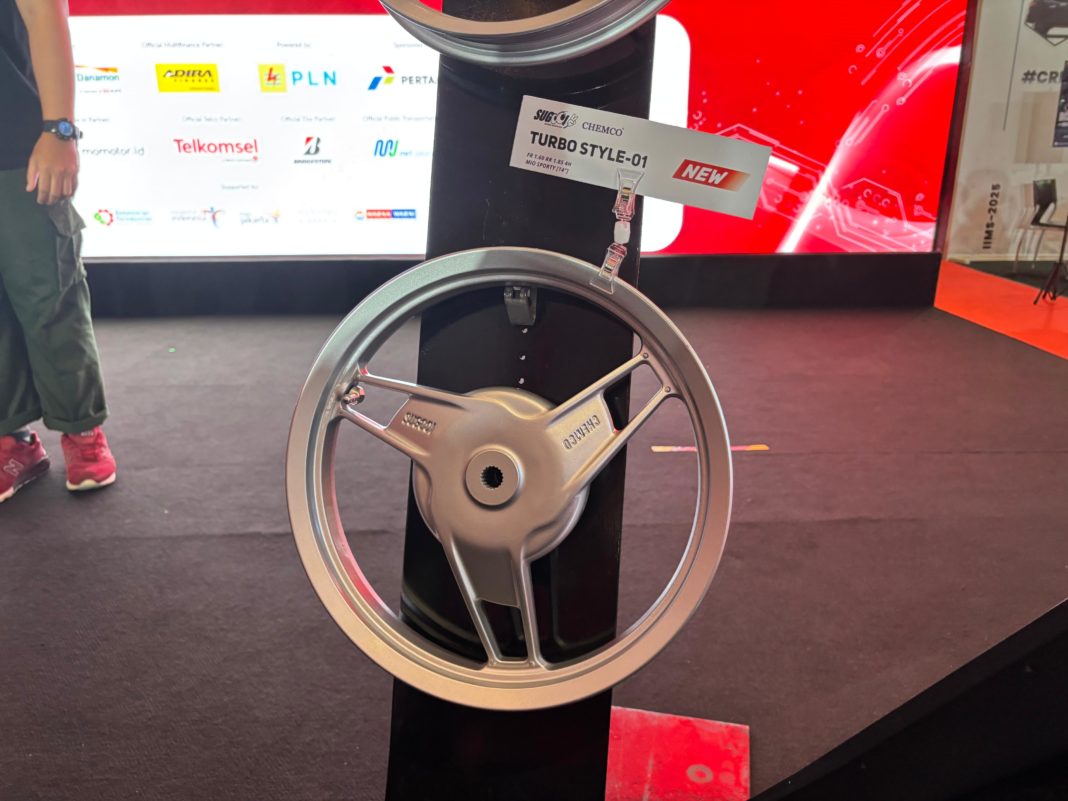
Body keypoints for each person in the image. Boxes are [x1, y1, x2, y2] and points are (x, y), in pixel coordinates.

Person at [0, 0, 115, 503]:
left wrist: (59, 129)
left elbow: (43, 12)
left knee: (48, 290)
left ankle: (81, 427)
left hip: (15, 144)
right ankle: (13, 438)